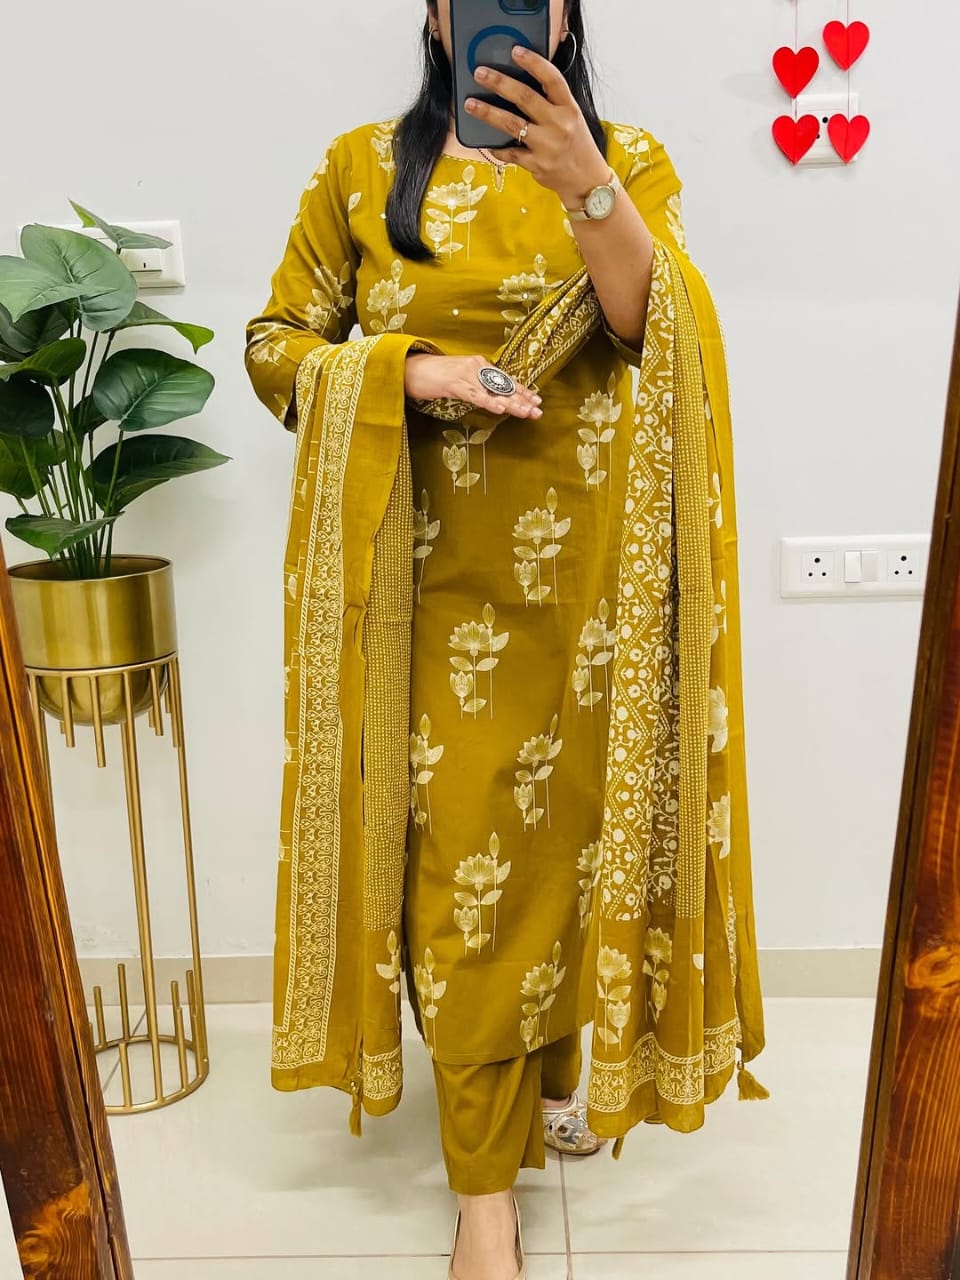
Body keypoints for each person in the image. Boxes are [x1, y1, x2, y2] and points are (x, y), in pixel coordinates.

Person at [244, 3, 768, 1278]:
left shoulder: (626, 160)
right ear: (434, 15)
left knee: (569, 862)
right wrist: (411, 369)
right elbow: (276, 346)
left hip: (593, 595)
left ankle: (544, 1095)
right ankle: (484, 1196)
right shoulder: (364, 168)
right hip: (425, 591)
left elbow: (656, 330)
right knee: (464, 885)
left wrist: (585, 181)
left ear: (568, 13)